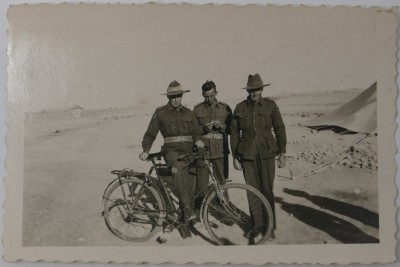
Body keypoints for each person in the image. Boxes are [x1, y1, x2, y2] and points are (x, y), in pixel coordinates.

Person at [139, 80, 205, 239]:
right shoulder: (160, 112)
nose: (176, 99)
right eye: (173, 96)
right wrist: (146, 150)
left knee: (191, 184)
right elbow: (150, 134)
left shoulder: (189, 113)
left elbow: (196, 131)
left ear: (182, 96)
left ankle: (184, 223)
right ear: (168, 97)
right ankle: (187, 211)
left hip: (189, 152)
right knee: (178, 167)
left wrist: (198, 140)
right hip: (171, 152)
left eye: (179, 96)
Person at [230, 73, 286, 240]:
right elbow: (233, 133)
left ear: (262, 89)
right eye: (252, 90)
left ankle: (270, 228)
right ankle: (257, 226)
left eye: (258, 89)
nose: (255, 93)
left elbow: (280, 128)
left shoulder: (271, 106)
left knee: (267, 190)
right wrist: (235, 156)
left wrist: (283, 152)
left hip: (267, 153)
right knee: (252, 192)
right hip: (247, 154)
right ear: (248, 90)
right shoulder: (240, 108)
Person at [192, 80, 232, 215]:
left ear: (216, 93)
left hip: (219, 151)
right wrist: (203, 128)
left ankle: (226, 210)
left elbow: (232, 129)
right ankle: (198, 213)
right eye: (206, 96)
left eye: (211, 95)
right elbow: (193, 131)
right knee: (201, 184)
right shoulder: (197, 109)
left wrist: (222, 127)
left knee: (222, 182)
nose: (208, 99)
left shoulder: (225, 108)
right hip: (203, 152)